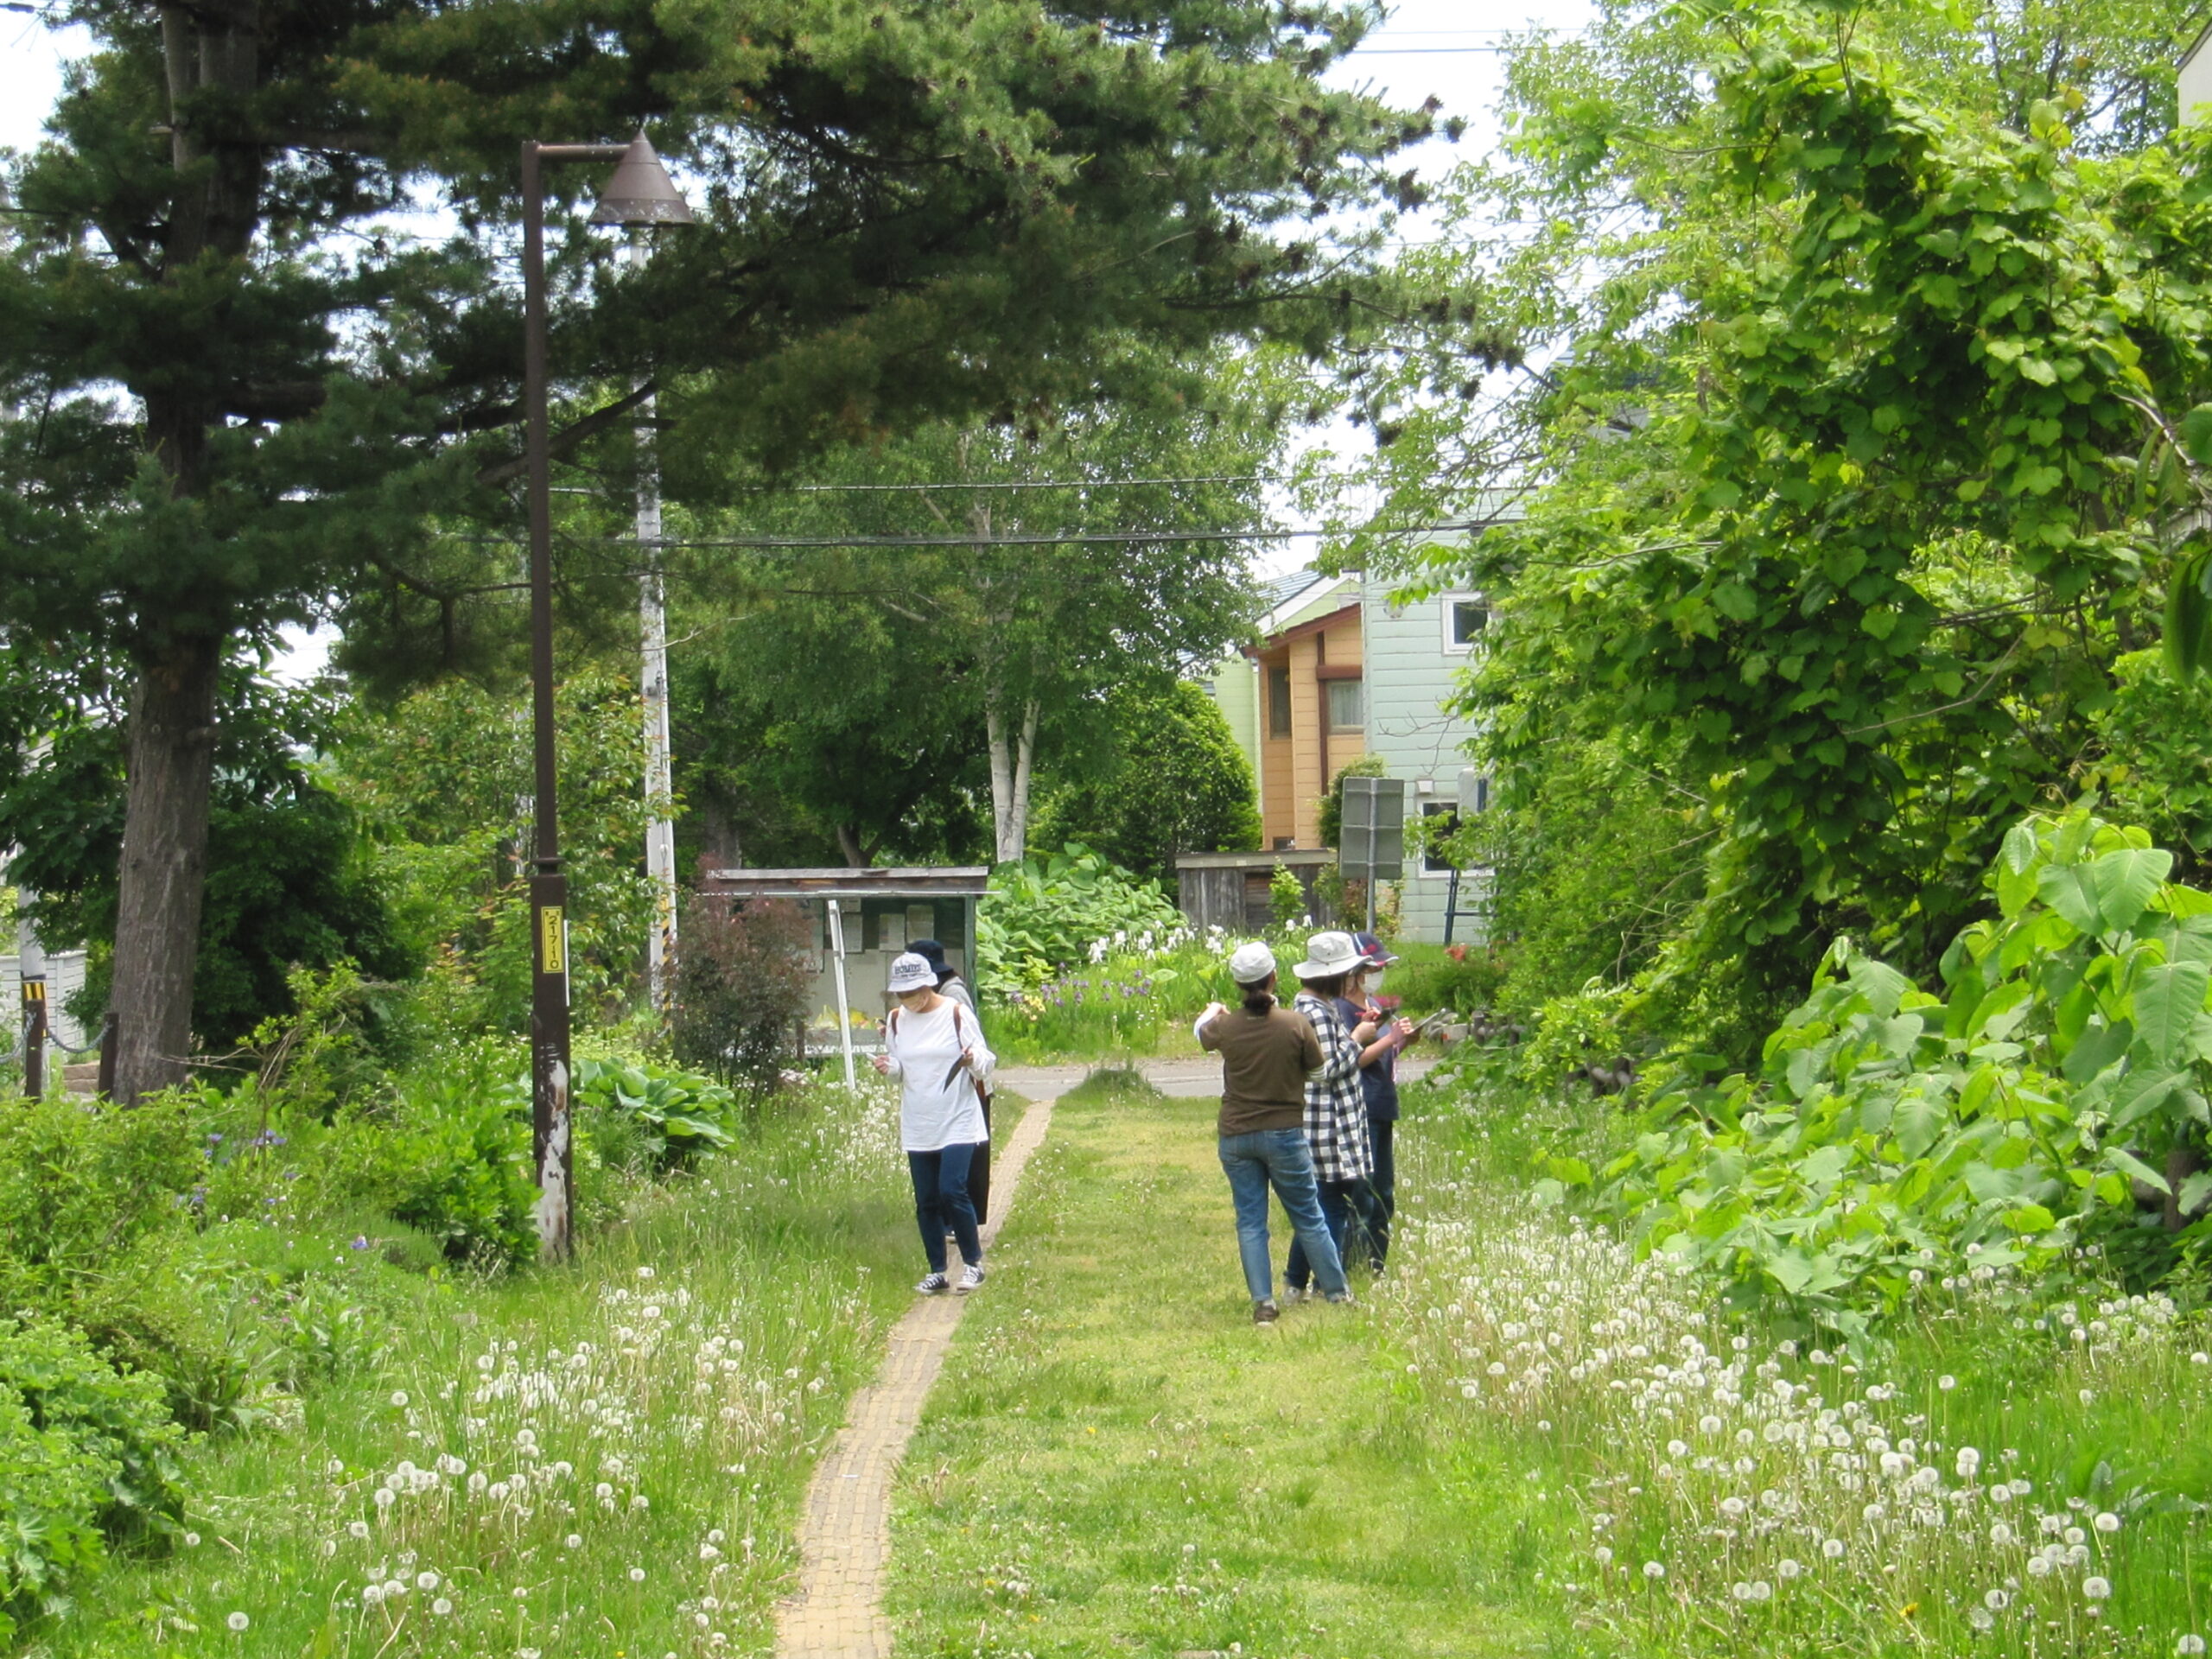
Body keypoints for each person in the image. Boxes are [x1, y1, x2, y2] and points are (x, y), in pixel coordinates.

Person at [1195, 940, 1352, 1325]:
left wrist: (1211, 1011)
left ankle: (1264, 1303)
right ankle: (1337, 1293)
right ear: (1274, 977)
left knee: (1250, 1220)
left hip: (1235, 1135)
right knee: (1308, 1215)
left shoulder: (1225, 1026)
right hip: (1284, 1133)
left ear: (1237, 983)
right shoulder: (1295, 1024)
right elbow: (1318, 1073)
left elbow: (1201, 1034)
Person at [872, 951, 994, 1294]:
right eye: (902, 994)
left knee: (952, 1188)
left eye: (914, 992)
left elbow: (986, 1062)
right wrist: (888, 1068)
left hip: (958, 1117)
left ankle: (973, 1265)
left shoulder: (955, 1013)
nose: (909, 1000)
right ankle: (937, 1270)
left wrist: (971, 1059)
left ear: (928, 985)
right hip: (919, 1121)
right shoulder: (897, 1020)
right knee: (926, 1199)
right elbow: (900, 1068)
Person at [1282, 930, 1378, 1300]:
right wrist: (1359, 1037)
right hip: (1327, 1125)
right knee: (1329, 1206)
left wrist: (1356, 1029)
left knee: (1319, 1205)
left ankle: (1295, 1282)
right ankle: (1324, 1284)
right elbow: (1328, 1067)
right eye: (1349, 973)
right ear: (1332, 976)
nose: (1353, 980)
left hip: (1329, 1122)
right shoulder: (1314, 1013)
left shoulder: (1317, 1009)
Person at [910, 938, 990, 1224]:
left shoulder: (953, 994)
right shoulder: (941, 991)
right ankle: (952, 1220)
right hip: (947, 1087)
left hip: (966, 1085)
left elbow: (968, 1043)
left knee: (965, 1166)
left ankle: (960, 1221)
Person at [1345, 931, 1414, 1269]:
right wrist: (1390, 1042)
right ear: (1355, 971)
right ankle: (1356, 1263)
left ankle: (1376, 1264)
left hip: (1383, 1105)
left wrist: (1402, 1041)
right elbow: (1352, 1058)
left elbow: (1383, 1053)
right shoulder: (1343, 1010)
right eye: (1373, 968)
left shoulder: (1373, 1007)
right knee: (1363, 1192)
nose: (1378, 973)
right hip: (1363, 1107)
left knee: (1384, 1192)